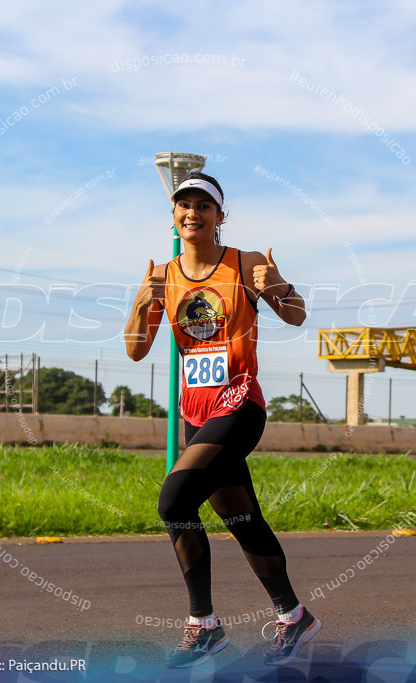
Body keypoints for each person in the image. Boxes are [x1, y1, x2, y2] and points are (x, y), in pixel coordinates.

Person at [124, 170, 320, 668]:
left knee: (174, 500)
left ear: (219, 216)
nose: (192, 212)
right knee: (242, 519)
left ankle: (202, 624)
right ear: (173, 216)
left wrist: (277, 286)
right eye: (183, 205)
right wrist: (141, 303)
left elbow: (296, 314)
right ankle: (293, 614)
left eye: (203, 205)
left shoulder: (243, 263)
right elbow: (134, 350)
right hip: (197, 414)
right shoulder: (162, 277)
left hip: (239, 405)